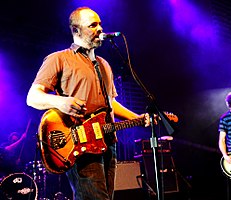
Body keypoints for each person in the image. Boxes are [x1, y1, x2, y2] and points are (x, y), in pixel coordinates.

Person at [26, 7, 150, 200]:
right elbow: (32, 97)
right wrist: (61, 102)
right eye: (92, 25)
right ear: (76, 30)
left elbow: (110, 104)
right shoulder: (58, 59)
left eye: (100, 23)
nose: (100, 28)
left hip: (108, 142)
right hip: (80, 143)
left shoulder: (104, 64)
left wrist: (137, 119)